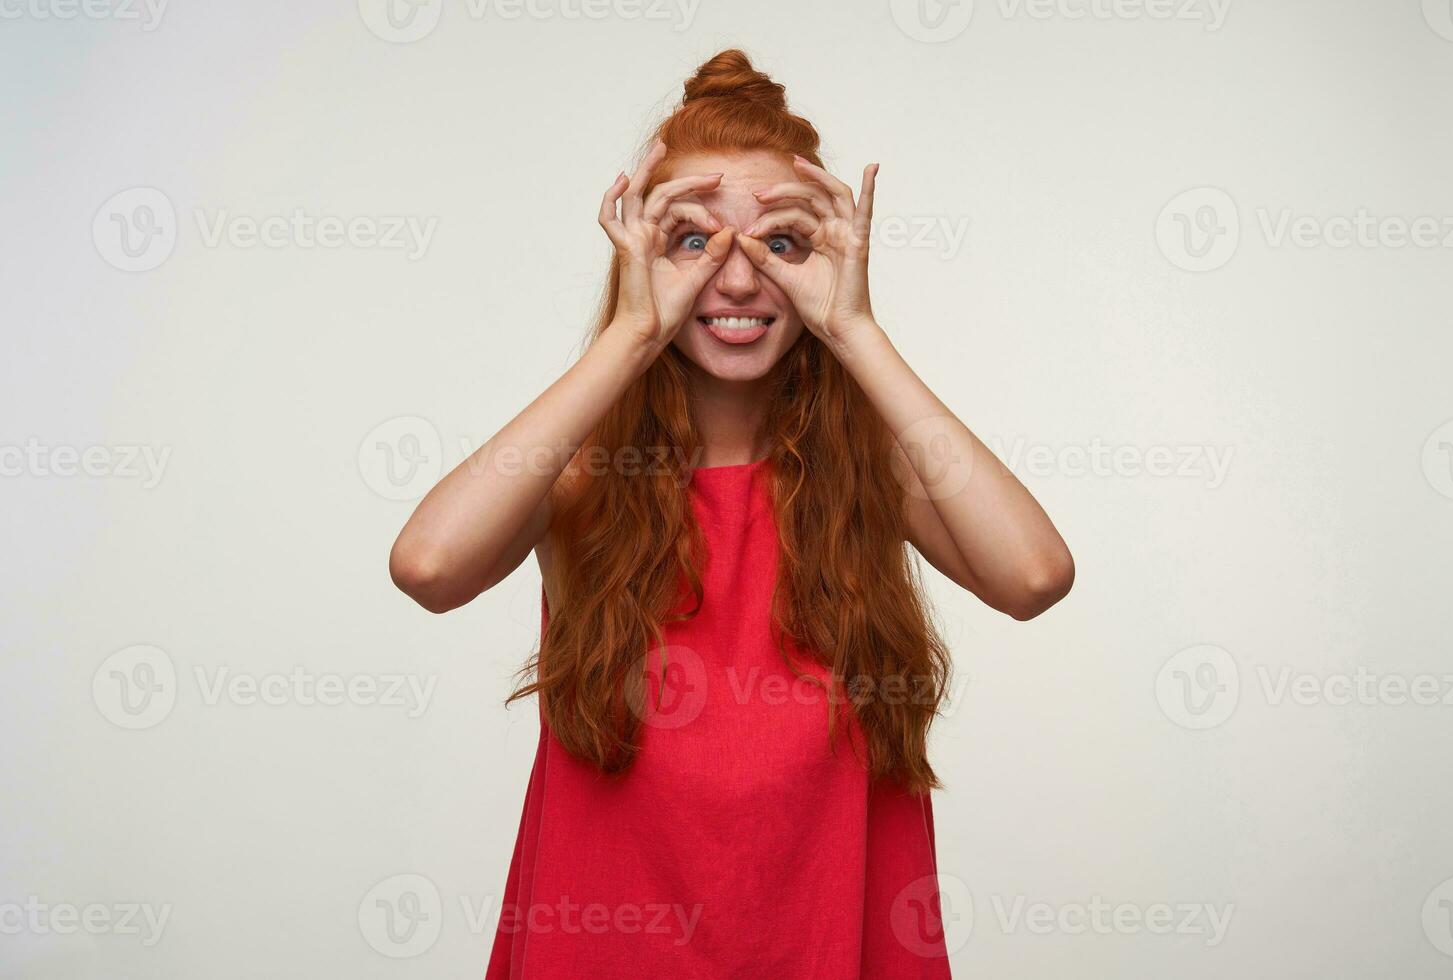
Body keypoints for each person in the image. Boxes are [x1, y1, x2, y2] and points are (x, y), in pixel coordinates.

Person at [389, 48, 1074, 980]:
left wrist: (857, 331)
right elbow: (429, 565)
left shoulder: (870, 464)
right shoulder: (587, 464)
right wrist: (632, 330)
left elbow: (1034, 576)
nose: (741, 280)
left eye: (781, 245)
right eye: (692, 241)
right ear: (641, 256)